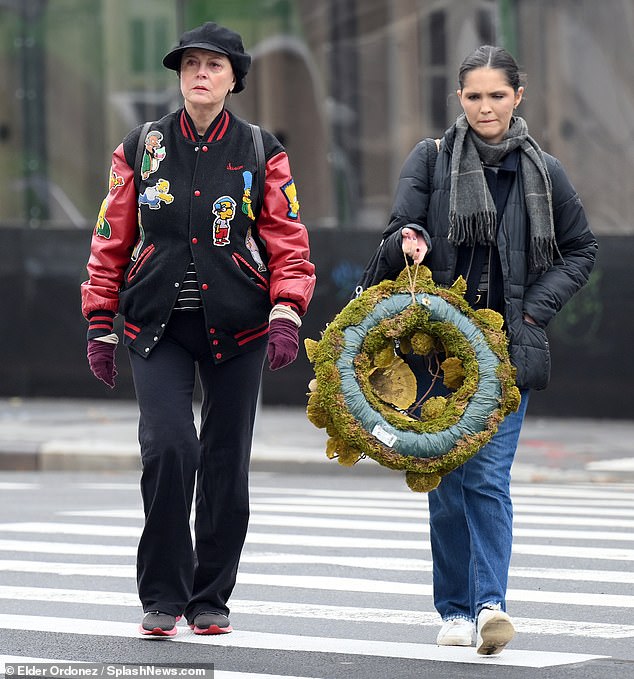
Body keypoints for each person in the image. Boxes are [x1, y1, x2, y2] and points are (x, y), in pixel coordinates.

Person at [356, 45, 597, 654]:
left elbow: (581, 249)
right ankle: (455, 609)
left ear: (518, 97)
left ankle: (491, 604)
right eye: (473, 96)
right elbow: (393, 235)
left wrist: (534, 310)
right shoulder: (432, 160)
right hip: (437, 350)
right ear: (458, 99)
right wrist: (409, 239)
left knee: (488, 475)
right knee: (446, 482)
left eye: (496, 95)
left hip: (507, 350)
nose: (485, 107)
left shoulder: (544, 171)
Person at [81, 21, 316, 637]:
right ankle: (162, 593)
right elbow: (111, 238)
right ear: (180, 76)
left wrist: (287, 311)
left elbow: (287, 240)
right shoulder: (141, 146)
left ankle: (210, 597)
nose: (200, 74)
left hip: (238, 327)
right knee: (168, 448)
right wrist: (100, 321)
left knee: (224, 463)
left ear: (235, 79)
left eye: (214, 65)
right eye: (190, 65)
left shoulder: (262, 150)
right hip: (157, 324)